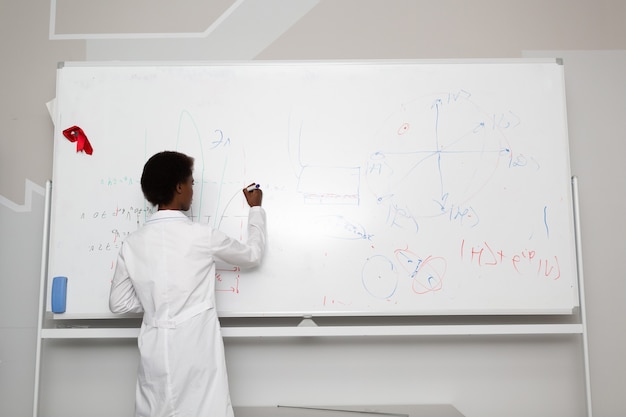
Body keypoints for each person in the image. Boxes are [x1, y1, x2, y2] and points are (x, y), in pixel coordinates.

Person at [109, 150, 266, 417]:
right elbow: (252, 255)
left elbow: (118, 303)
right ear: (180, 187)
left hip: (155, 351)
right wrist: (256, 209)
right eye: (192, 183)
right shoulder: (201, 236)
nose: (193, 190)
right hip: (196, 350)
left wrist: (156, 299)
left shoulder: (133, 243)